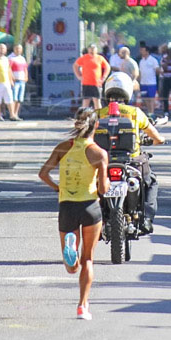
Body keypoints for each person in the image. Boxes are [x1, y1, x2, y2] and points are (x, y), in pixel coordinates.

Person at [38, 108, 109, 320]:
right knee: (89, 259)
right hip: (90, 207)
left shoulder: (62, 147)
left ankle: (71, 254)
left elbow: (43, 173)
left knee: (71, 267)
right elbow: (104, 190)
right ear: (96, 126)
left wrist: (57, 187)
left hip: (67, 206)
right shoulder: (98, 153)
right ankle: (82, 306)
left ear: (76, 124)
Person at [96, 73, 166, 232]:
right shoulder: (135, 112)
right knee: (151, 181)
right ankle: (147, 219)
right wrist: (159, 139)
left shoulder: (99, 114)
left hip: (104, 162)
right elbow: (154, 135)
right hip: (132, 161)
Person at [73, 44, 111, 110]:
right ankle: (84, 117)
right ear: (88, 50)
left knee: (97, 101)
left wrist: (104, 77)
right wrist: (78, 76)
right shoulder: (84, 58)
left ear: (96, 50)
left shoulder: (100, 58)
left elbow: (107, 67)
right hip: (86, 83)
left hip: (97, 83)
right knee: (86, 101)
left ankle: (98, 117)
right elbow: (75, 65)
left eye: (93, 49)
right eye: (91, 49)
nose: (92, 51)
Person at [0, 43, 15, 120]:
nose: (2, 50)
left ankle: (12, 115)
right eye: (0, 48)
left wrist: (11, 80)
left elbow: (9, 70)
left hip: (6, 82)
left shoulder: (6, 59)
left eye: (3, 48)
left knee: (9, 99)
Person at [9, 44, 29, 119]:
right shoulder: (11, 57)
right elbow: (9, 69)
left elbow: (25, 69)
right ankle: (12, 114)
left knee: (20, 99)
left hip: (22, 81)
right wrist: (11, 78)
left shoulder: (22, 58)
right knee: (14, 98)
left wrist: (26, 76)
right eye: (17, 48)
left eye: (20, 49)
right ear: (14, 49)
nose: (18, 50)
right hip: (15, 81)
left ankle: (16, 114)